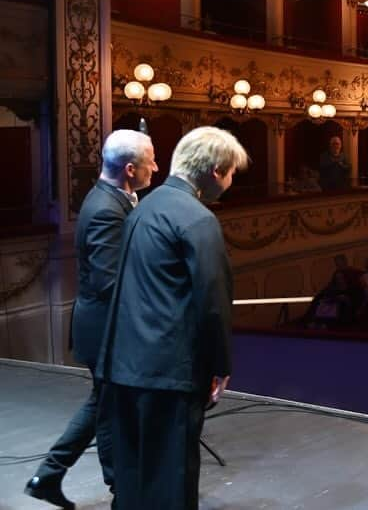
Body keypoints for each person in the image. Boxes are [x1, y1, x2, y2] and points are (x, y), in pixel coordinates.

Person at [97, 126, 249, 510]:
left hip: (125, 364)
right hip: (171, 372)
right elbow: (212, 302)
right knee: (172, 480)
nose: (231, 183)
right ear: (215, 171)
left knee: (134, 474)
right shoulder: (198, 220)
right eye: (231, 174)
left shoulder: (141, 207)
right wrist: (220, 364)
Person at [24, 130, 157, 509]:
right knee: (107, 407)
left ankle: (48, 476)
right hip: (106, 330)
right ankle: (120, 490)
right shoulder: (105, 210)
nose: (157, 167)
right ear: (131, 169)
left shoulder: (112, 199)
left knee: (102, 403)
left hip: (105, 327)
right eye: (151, 161)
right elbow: (109, 282)